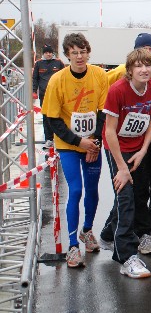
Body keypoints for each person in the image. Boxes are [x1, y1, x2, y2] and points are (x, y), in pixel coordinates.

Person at [100, 33, 151, 255]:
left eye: (148, 66)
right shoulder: (118, 90)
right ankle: (125, 254)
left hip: (138, 145)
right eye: (138, 66)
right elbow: (110, 131)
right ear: (129, 70)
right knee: (125, 196)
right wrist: (122, 168)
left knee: (141, 191)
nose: (144, 70)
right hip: (117, 146)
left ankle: (136, 234)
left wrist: (143, 150)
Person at [41, 33, 108, 268]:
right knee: (76, 190)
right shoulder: (57, 80)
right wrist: (79, 142)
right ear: (67, 55)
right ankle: (72, 245)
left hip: (92, 143)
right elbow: (52, 119)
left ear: (88, 52)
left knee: (92, 190)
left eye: (83, 52)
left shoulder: (99, 75)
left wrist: (95, 142)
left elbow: (103, 113)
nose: (79, 57)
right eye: (74, 53)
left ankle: (87, 231)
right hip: (69, 145)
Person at [33, 44, 64, 147]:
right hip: (44, 95)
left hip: (57, 94)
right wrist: (34, 91)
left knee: (59, 115)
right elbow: (35, 78)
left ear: (52, 53)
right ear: (43, 54)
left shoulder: (58, 63)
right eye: (46, 53)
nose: (48, 54)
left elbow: (65, 77)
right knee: (46, 116)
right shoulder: (39, 64)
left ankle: (60, 137)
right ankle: (49, 139)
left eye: (50, 52)